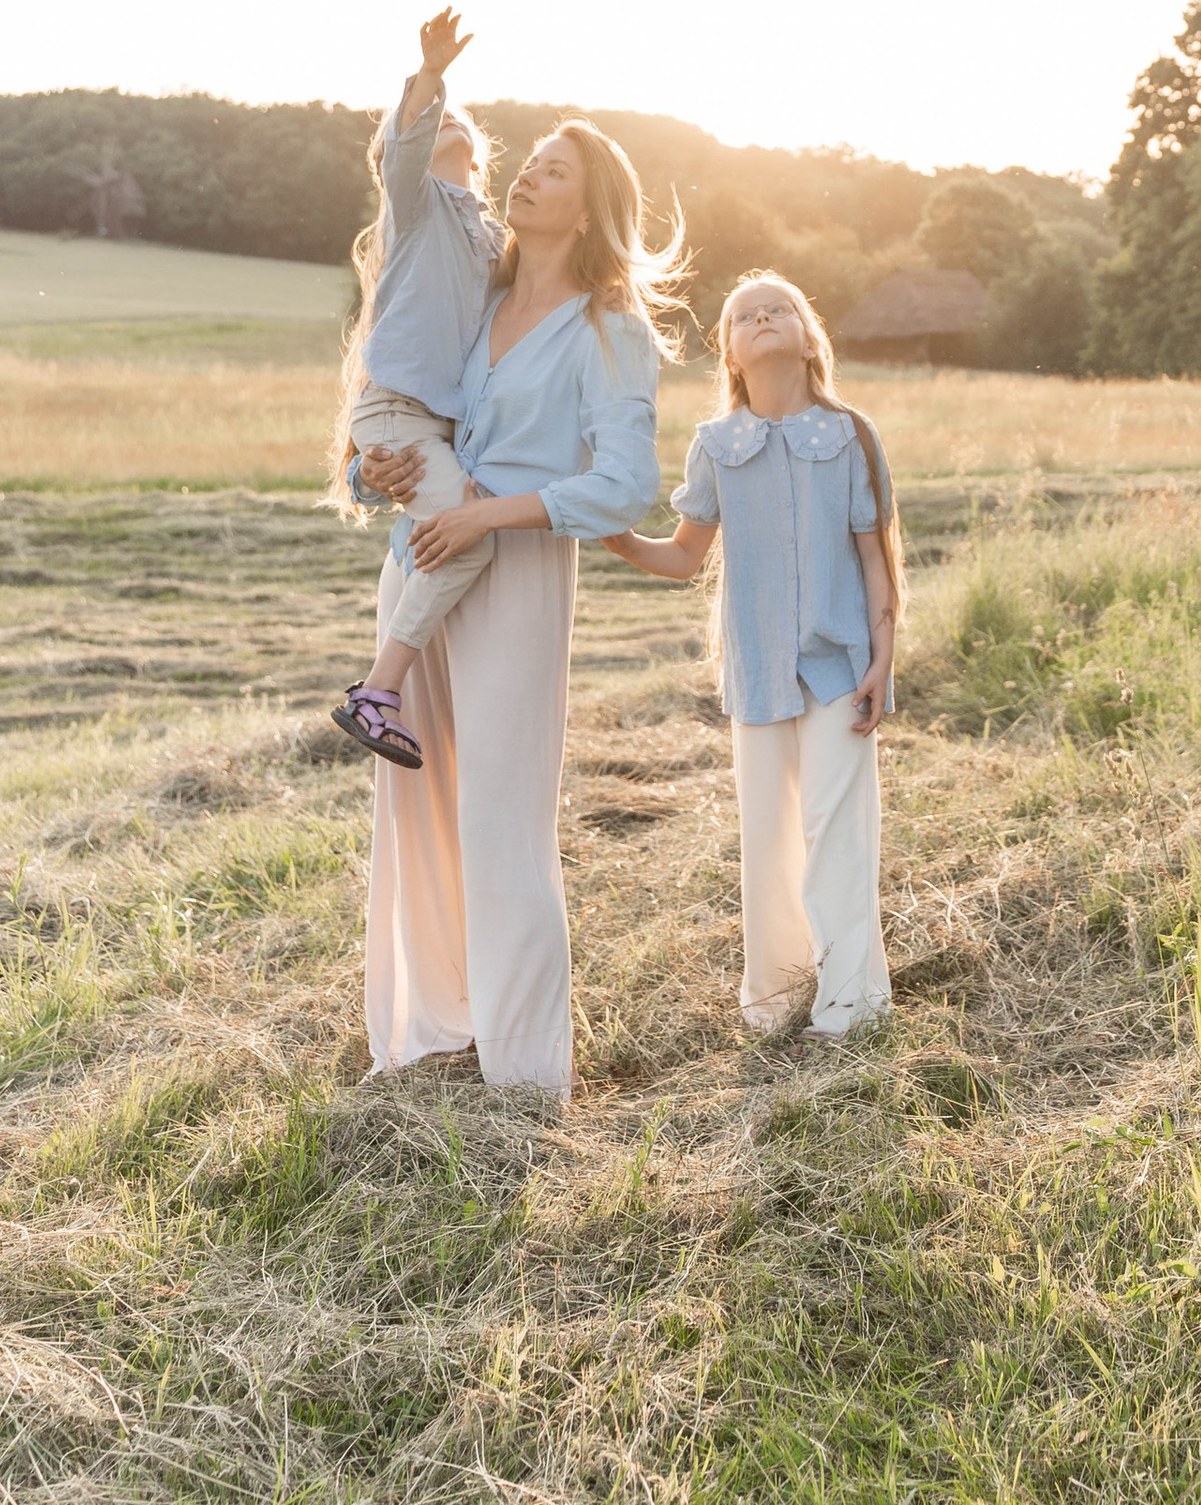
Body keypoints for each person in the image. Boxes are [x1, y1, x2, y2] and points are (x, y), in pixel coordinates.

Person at [352, 119, 682, 1096]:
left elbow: (626, 486)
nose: (529, 176)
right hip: (421, 564)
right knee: (416, 809)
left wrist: (495, 511)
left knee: (502, 821)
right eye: (529, 164)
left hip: (519, 577)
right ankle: (434, 1028)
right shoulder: (473, 297)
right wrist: (378, 470)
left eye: (554, 170)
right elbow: (411, 423)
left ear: (589, 207)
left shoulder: (609, 332)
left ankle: (526, 1077)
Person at [604, 269, 899, 1037]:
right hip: (759, 669)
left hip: (840, 665)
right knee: (768, 838)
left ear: (808, 339)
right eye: (743, 315)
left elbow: (876, 557)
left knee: (836, 830)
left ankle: (850, 1006)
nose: (762, 317)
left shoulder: (851, 435)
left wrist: (883, 658)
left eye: (780, 309)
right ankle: (773, 1002)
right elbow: (682, 558)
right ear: (730, 354)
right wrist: (612, 534)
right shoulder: (715, 446)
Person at [328, 8, 499, 771]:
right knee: (466, 534)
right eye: (436, 122)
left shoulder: (488, 233)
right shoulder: (420, 206)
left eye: (457, 117)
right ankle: (377, 692)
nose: (447, 124)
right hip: (397, 410)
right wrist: (432, 76)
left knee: (459, 533)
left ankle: (388, 690)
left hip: (431, 424)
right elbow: (405, 149)